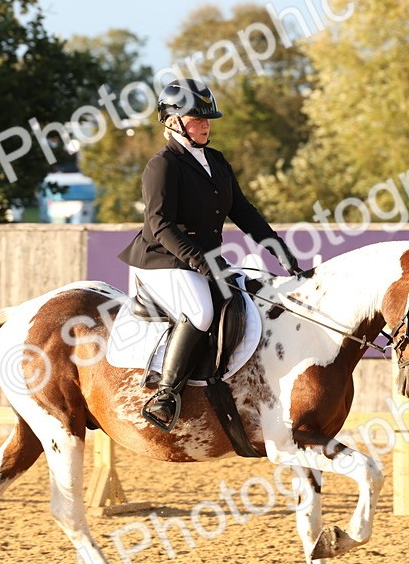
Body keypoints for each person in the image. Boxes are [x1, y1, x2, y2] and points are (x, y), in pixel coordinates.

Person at [118, 78, 303, 432]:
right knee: (201, 310)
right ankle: (166, 395)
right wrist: (202, 262)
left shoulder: (216, 162)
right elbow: (160, 225)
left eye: (207, 119)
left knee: (249, 299)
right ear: (173, 122)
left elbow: (244, 212)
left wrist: (280, 250)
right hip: (163, 258)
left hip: (203, 260)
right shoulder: (163, 165)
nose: (205, 125)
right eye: (196, 119)